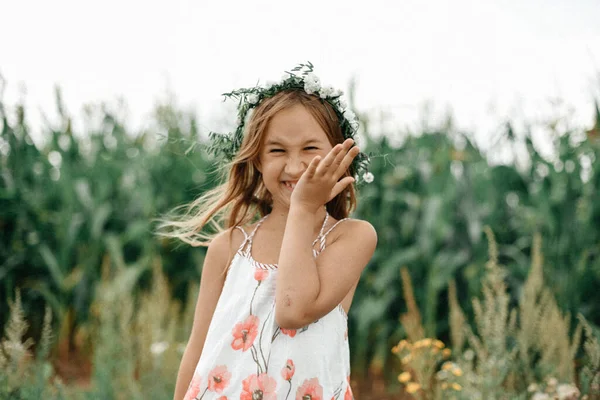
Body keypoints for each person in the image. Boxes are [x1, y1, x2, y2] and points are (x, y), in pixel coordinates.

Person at [162, 63, 377, 400]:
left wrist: (305, 210)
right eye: (277, 151)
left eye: (310, 149)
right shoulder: (230, 246)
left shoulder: (350, 237)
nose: (294, 167)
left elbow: (292, 311)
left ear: (340, 154)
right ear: (258, 160)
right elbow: (198, 347)